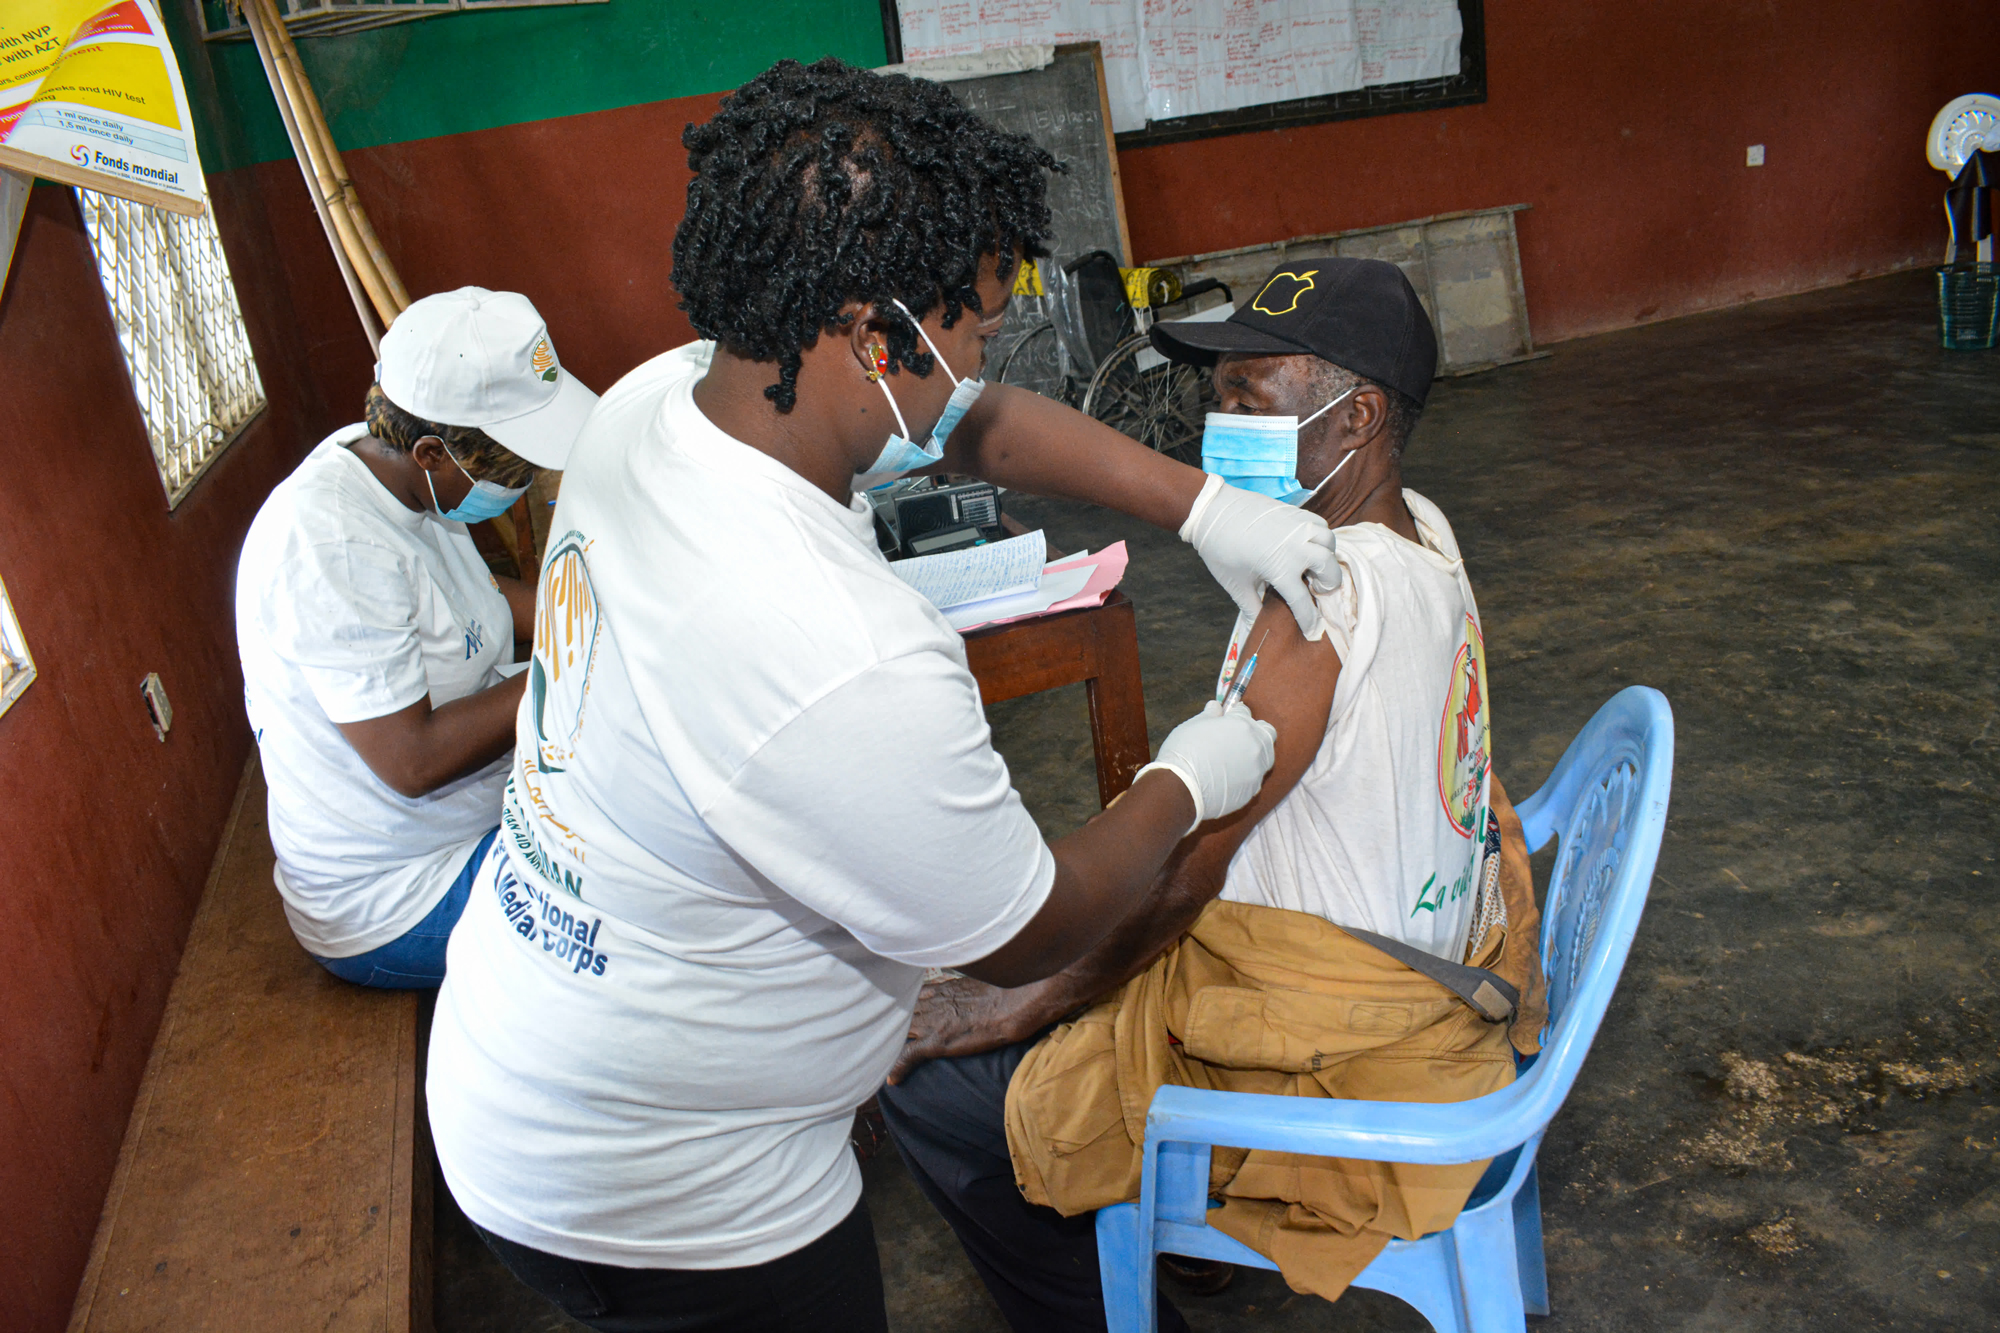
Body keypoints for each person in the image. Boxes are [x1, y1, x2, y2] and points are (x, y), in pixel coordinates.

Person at [424, 59, 1348, 1333]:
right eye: (970, 322)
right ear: (870, 331)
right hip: (671, 1193)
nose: (983, 352)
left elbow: (969, 420)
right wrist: (1200, 766)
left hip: (525, 1048)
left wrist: (1205, 506)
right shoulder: (831, 645)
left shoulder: (664, 400)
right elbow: (1024, 929)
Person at [877, 257, 1551, 1331]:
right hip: (1427, 978)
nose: (1213, 420)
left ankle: (1110, 1293)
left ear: (1357, 414)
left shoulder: (1319, 601)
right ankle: (1172, 1237)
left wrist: (1019, 998)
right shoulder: (1416, 524)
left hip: (1350, 1051)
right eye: (1215, 392)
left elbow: (1189, 869)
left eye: (1248, 395)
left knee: (931, 1083)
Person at [235, 288, 596, 988]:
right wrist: (574, 663)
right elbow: (413, 757)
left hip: (471, 817)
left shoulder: (400, 475)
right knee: (638, 912)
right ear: (433, 451)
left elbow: (484, 599)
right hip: (395, 891)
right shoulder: (329, 545)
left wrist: (594, 609)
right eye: (513, 471)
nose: (522, 487)